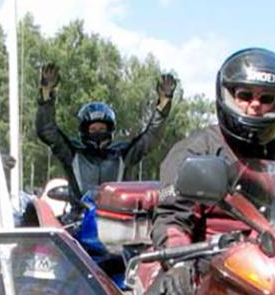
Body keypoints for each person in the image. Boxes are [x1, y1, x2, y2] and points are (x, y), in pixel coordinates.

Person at [138, 47, 275, 295]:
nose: (255, 105)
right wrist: (179, 262)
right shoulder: (196, 151)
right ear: (227, 96)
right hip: (206, 265)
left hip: (271, 271)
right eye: (245, 95)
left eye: (266, 98)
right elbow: (172, 217)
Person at [35, 63, 176, 202]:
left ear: (110, 130)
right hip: (80, 212)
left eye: (102, 129)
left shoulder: (123, 154)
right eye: (93, 129)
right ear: (84, 131)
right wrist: (46, 93)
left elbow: (151, 137)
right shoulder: (72, 152)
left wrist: (163, 104)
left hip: (119, 213)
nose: (98, 133)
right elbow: (47, 131)